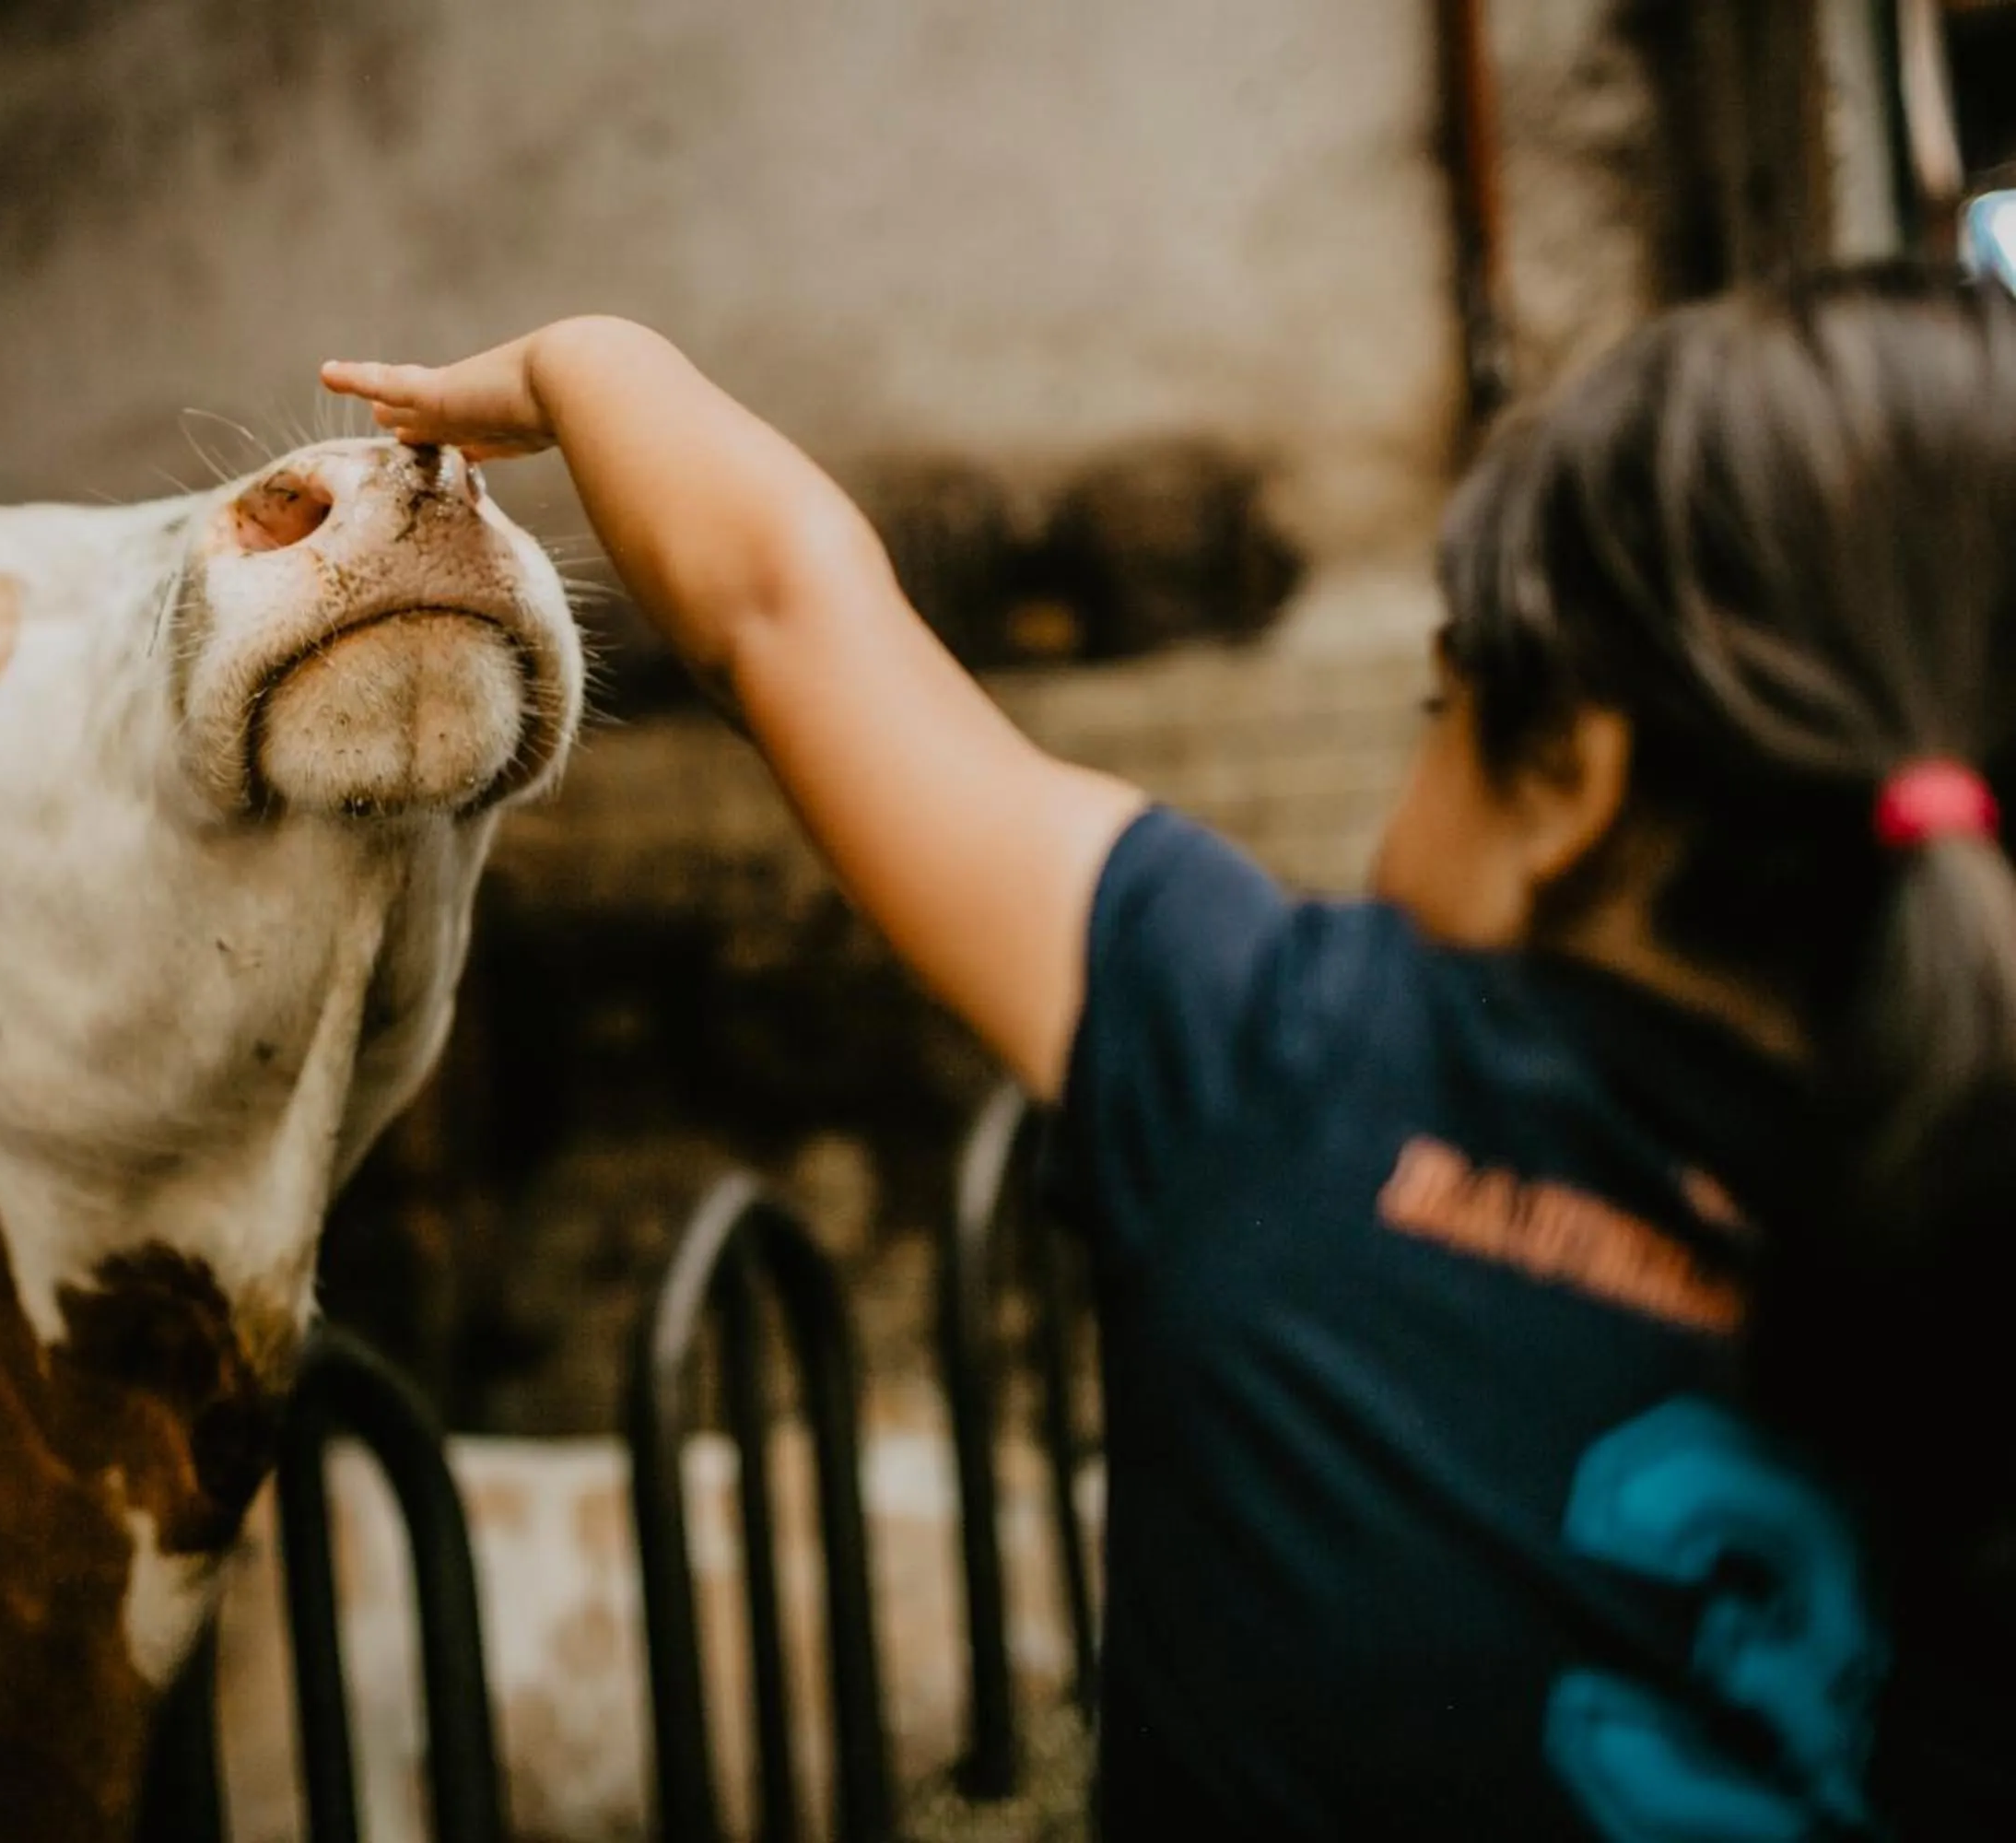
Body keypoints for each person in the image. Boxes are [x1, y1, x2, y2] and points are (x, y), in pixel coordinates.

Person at [322, 264, 2016, 1840]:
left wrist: (578, 363)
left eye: (1444, 712)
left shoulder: (1282, 1065)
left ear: (1572, 777)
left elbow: (775, 604)